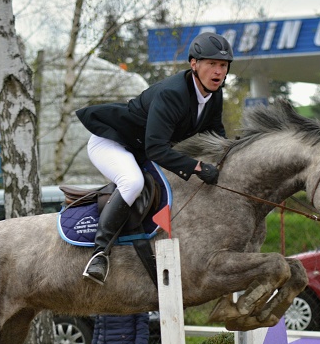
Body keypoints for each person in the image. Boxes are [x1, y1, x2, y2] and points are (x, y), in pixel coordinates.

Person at [76, 31, 234, 284]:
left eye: (223, 65)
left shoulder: (214, 96)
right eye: (212, 64)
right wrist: (196, 166)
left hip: (139, 148)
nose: (218, 71)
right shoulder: (172, 93)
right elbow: (157, 150)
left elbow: (216, 136)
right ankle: (99, 254)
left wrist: (233, 156)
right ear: (194, 64)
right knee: (133, 182)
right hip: (111, 142)